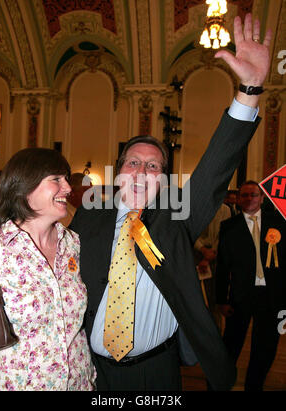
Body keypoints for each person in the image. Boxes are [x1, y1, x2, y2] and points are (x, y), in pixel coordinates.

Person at [70, 14, 272, 391]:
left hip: (157, 373)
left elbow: (215, 169)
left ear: (163, 181)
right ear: (118, 173)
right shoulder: (88, 218)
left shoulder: (175, 218)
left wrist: (250, 88)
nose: (143, 171)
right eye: (134, 162)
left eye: (153, 166)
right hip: (90, 373)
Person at [0, 148, 96, 391]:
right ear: (25, 187)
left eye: (66, 179)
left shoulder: (73, 244)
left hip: (77, 383)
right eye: (56, 179)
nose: (67, 188)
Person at [216, 181, 286, 391]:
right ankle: (219, 384)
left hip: (272, 298)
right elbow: (222, 266)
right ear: (238, 199)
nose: (249, 199)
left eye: (253, 195)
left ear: (262, 198)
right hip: (240, 297)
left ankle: (254, 386)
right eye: (244, 195)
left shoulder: (280, 223)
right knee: (231, 346)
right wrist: (221, 299)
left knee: (265, 348)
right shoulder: (229, 226)